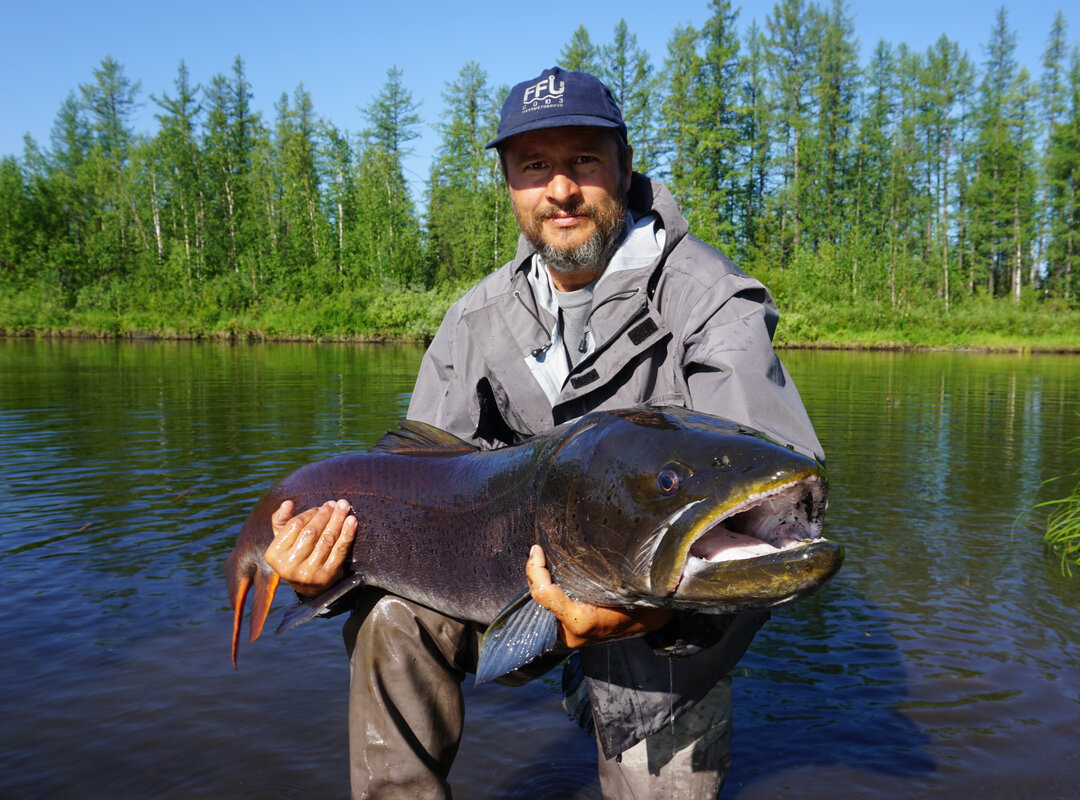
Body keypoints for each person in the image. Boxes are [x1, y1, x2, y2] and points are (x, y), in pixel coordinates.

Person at [264, 66, 824, 800]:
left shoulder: (712, 302)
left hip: (667, 613)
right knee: (388, 616)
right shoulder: (477, 318)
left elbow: (781, 504)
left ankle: (619, 693)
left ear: (624, 168)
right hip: (505, 578)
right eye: (535, 166)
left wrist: (646, 614)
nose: (560, 189)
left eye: (583, 160)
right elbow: (415, 475)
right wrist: (327, 569)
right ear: (510, 185)